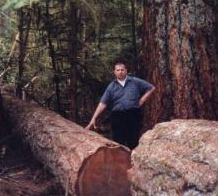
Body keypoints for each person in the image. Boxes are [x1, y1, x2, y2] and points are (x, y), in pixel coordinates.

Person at [85, 62, 155, 149]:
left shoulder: (135, 81)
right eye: (118, 70)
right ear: (114, 72)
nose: (120, 72)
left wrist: (141, 100)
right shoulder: (111, 87)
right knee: (118, 142)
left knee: (133, 141)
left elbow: (151, 88)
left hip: (133, 114)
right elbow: (103, 103)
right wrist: (93, 119)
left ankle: (133, 160)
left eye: (122, 70)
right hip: (117, 116)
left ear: (126, 71)